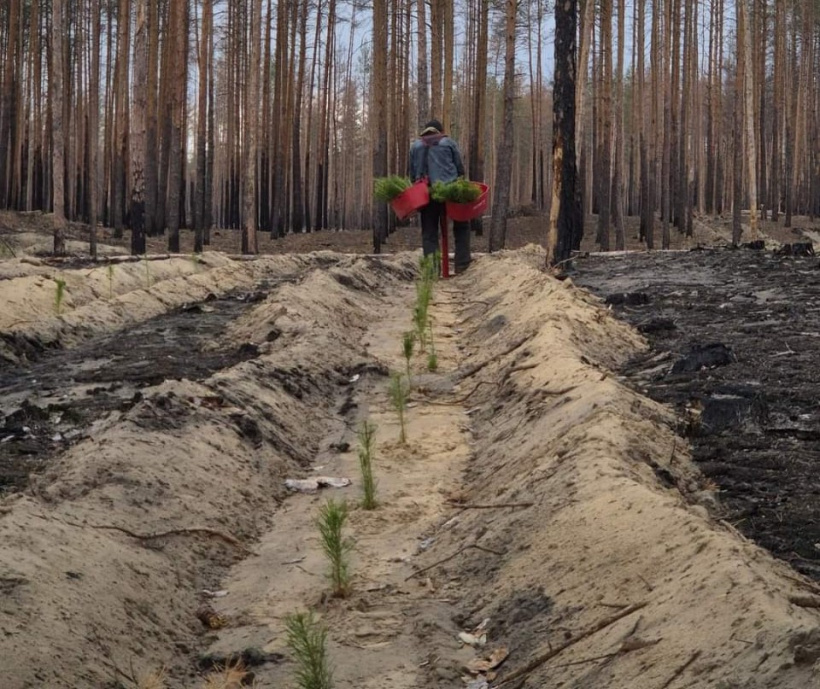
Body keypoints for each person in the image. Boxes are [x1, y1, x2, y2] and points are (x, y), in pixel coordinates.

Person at [409, 119, 471, 274]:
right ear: (440, 132)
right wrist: (460, 185)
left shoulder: (415, 146)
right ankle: (462, 264)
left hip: (426, 194)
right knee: (462, 225)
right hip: (450, 191)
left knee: (429, 232)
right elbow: (459, 168)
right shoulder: (448, 143)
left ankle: (432, 270)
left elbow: (411, 173)